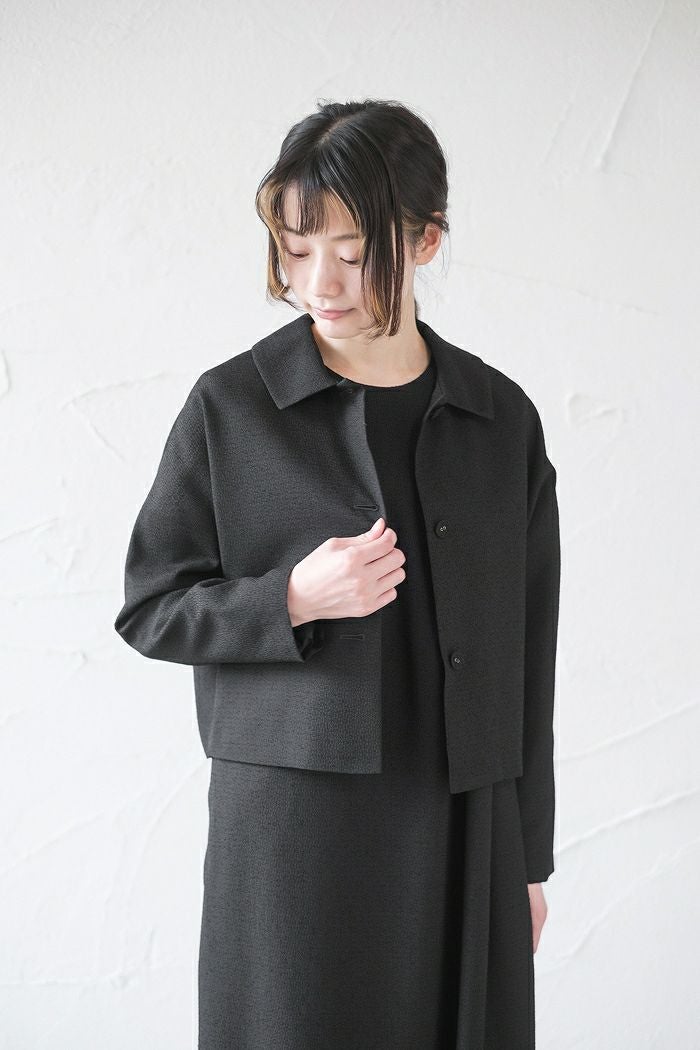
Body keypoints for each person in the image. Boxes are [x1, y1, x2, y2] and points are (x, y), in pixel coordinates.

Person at [114, 98, 561, 1049]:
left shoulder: (500, 420)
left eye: (353, 253)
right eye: (297, 248)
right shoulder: (233, 407)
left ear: (426, 240)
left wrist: (529, 857)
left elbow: (532, 651)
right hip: (295, 840)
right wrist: (289, 599)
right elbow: (151, 607)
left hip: (464, 821)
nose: (319, 282)